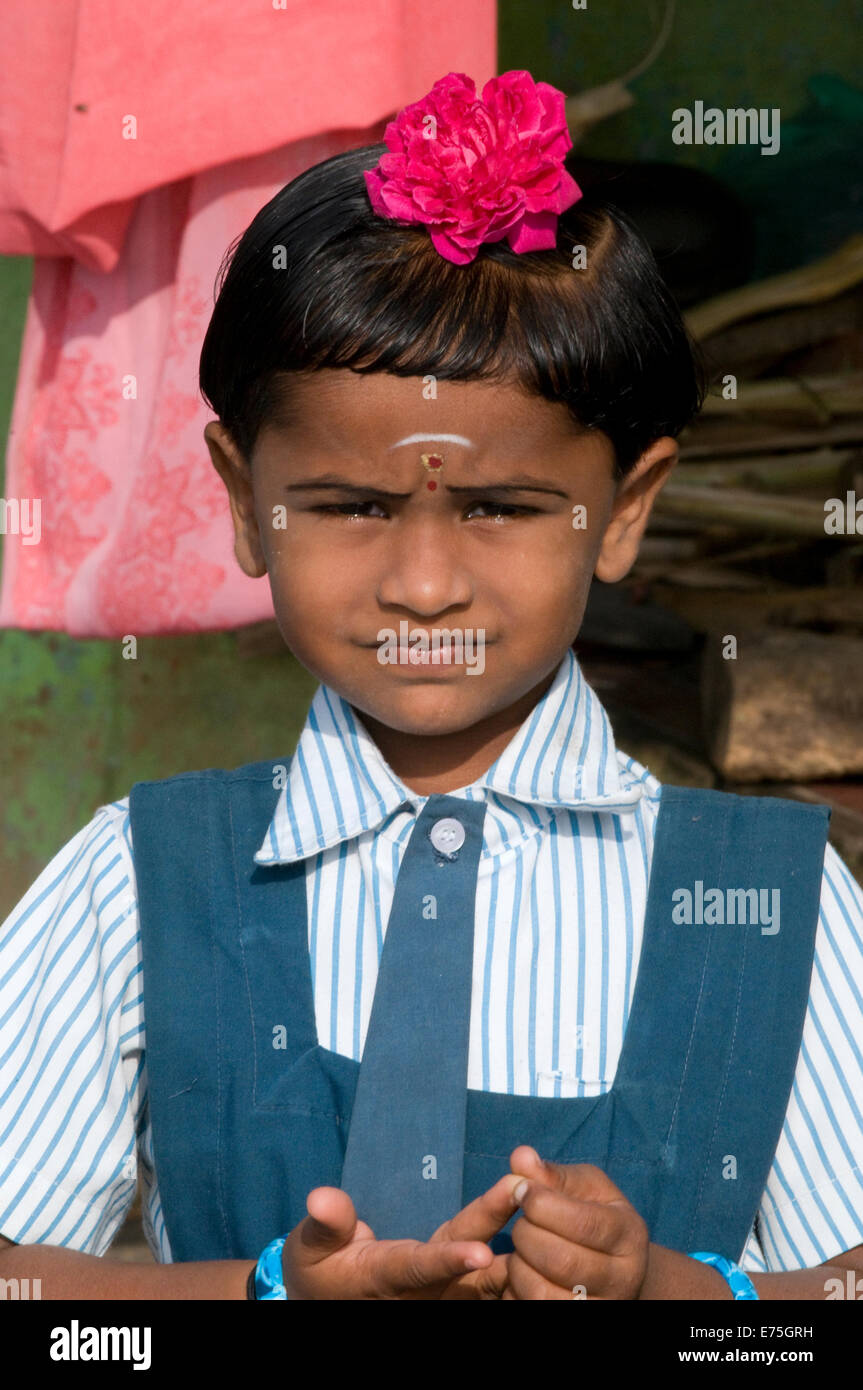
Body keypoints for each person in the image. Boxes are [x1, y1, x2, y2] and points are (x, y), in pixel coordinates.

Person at [1, 70, 862, 1301]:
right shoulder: (138, 879)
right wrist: (260, 1296)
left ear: (623, 510)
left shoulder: (768, 895)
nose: (419, 584)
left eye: (501, 509)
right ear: (245, 503)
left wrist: (681, 1298)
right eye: (349, 506)